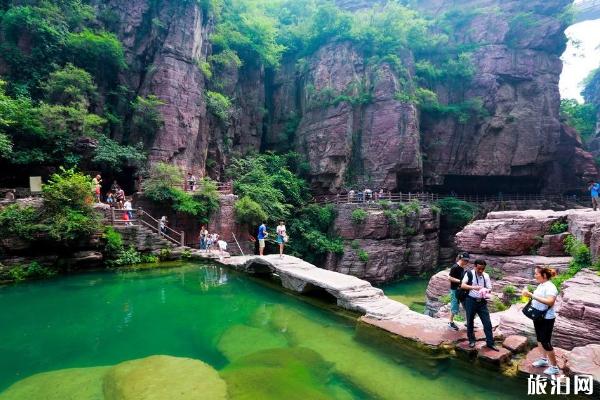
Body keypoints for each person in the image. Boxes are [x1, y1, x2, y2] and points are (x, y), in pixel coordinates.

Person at [521, 267, 560, 376]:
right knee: (539, 339)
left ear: (543, 275)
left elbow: (550, 302)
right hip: (539, 316)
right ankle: (543, 359)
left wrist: (531, 295)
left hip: (547, 318)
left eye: (536, 274)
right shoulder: (541, 285)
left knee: (545, 342)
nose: (535, 276)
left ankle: (554, 367)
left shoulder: (550, 287)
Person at [461, 259, 499, 351]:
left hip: (482, 302)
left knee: (487, 323)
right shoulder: (469, 273)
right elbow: (462, 285)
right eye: (479, 269)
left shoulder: (486, 276)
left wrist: (485, 290)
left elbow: (490, 288)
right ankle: (471, 340)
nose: (481, 271)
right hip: (470, 300)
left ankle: (490, 343)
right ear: (475, 267)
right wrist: (475, 287)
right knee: (470, 321)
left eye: (483, 269)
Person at [447, 252, 470, 331]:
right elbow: (449, 278)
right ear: (461, 259)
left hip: (461, 290)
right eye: (465, 260)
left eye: (467, 261)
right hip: (455, 290)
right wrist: (460, 281)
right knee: (454, 306)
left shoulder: (462, 267)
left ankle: (468, 322)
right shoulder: (455, 267)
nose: (467, 262)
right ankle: (450, 322)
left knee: (467, 305)